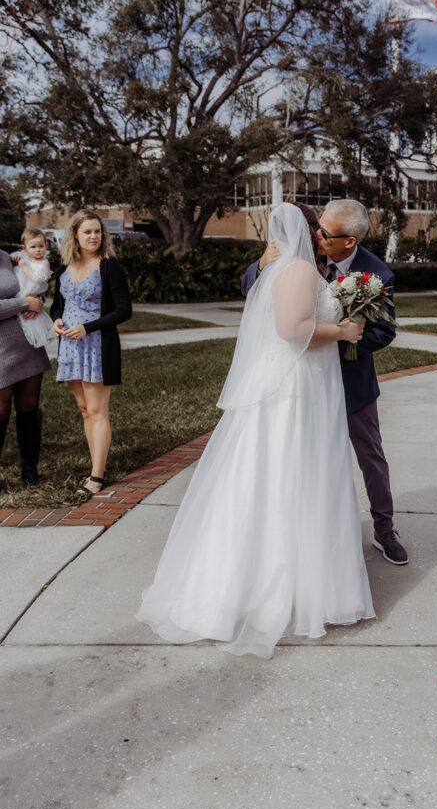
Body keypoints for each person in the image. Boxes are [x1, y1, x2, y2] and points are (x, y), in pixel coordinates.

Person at [137, 203, 375, 657]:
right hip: (298, 387)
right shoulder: (301, 270)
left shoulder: (283, 268)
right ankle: (288, 587)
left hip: (290, 380)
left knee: (270, 477)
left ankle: (266, 580)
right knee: (294, 477)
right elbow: (291, 329)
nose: (324, 235)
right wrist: (342, 332)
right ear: (310, 232)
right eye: (319, 228)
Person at [242, 198, 407, 565]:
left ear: (349, 241)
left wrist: (346, 335)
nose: (316, 234)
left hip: (351, 382)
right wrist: (260, 264)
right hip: (305, 381)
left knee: (370, 455)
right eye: (317, 226)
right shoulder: (297, 255)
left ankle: (384, 529)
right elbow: (252, 291)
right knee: (304, 458)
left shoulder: (376, 273)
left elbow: (384, 332)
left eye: (325, 232)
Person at [50, 210, 132, 497]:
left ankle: (97, 476)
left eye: (97, 232)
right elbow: (57, 305)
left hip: (97, 346)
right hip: (71, 348)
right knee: (85, 410)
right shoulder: (63, 267)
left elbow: (124, 309)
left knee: (98, 411)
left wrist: (88, 327)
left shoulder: (109, 267)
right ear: (75, 234)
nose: (94, 236)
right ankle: (96, 462)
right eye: (88, 232)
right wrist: (57, 320)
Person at [0, 249, 50, 488]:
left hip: (28, 343)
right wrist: (23, 303)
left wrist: (38, 300)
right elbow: (23, 299)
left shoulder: (6, 257)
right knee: (0, 411)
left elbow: (35, 283)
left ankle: (29, 471)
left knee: (29, 409)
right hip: (1, 350)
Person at [10, 228, 53, 349]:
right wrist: (14, 255)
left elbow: (36, 279)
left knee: (29, 320)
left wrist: (24, 266)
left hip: (32, 291)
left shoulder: (44, 262)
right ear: (25, 248)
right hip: (21, 290)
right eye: (33, 247)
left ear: (46, 245)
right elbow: (16, 255)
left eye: (41, 246)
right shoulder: (24, 255)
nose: (38, 250)